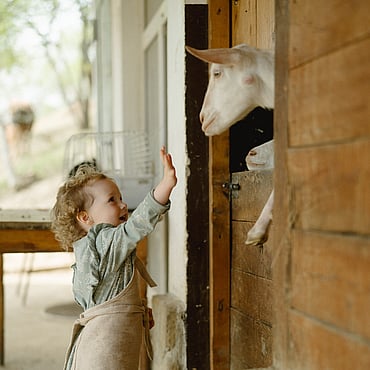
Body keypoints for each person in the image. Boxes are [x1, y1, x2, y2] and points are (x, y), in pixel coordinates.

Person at [51, 146, 177, 370]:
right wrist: (165, 185)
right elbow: (137, 224)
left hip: (94, 345)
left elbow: (103, 302)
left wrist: (134, 311)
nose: (123, 204)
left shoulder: (85, 253)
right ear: (85, 217)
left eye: (120, 197)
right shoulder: (105, 240)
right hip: (108, 348)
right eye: (111, 200)